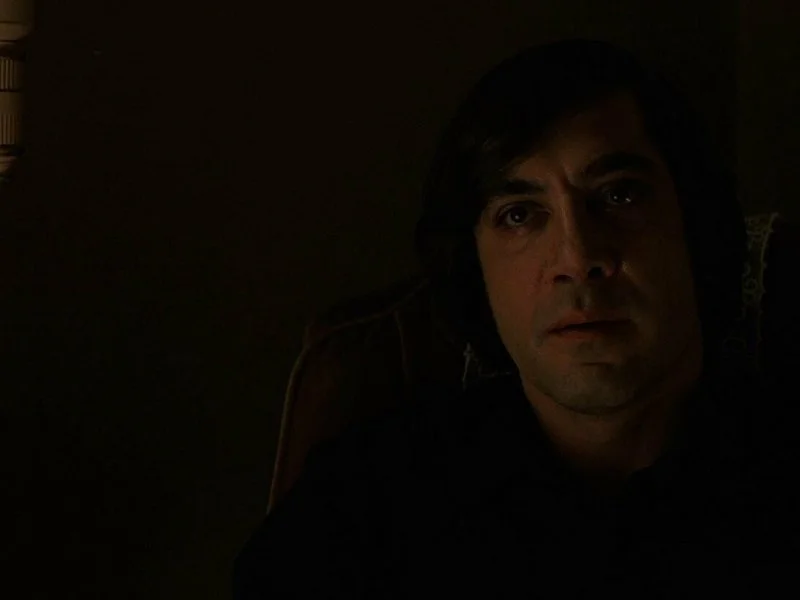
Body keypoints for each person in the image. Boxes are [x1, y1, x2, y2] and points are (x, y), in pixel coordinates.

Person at [233, 39, 797, 598]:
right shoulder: (368, 502)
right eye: (521, 215)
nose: (576, 257)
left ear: (695, 225)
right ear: (476, 267)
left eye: (620, 195)